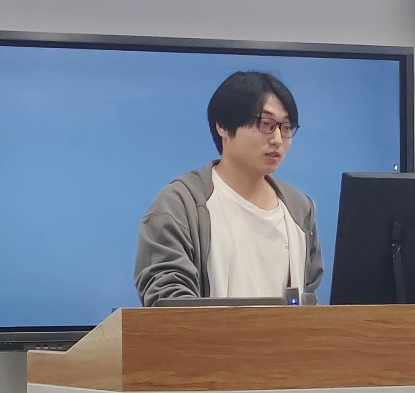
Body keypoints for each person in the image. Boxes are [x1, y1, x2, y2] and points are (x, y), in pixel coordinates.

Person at [134, 70, 324, 305]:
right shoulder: (181, 204)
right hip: (205, 331)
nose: (277, 139)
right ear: (223, 126)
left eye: (286, 128)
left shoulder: (299, 209)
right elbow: (169, 300)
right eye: (266, 124)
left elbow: (309, 301)